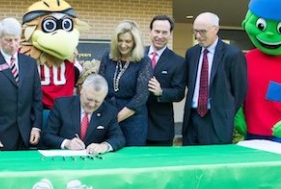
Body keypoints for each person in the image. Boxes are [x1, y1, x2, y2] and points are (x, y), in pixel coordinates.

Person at [0, 17, 43, 151]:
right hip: (0, 136)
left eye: (16, 39)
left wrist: (37, 126)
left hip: (27, 133)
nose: (13, 44)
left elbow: (37, 98)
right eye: (8, 40)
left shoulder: (30, 64)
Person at [182, 12, 247, 145]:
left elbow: (240, 91)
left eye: (202, 31)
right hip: (192, 119)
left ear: (216, 29)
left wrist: (225, 112)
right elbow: (190, 83)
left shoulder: (233, 54)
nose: (198, 36)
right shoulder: (191, 53)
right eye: (195, 31)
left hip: (217, 121)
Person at [99, 20, 152, 146]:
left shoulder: (144, 61)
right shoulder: (108, 56)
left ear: (135, 42)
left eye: (128, 41)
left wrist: (115, 119)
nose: (123, 45)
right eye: (120, 40)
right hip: (108, 113)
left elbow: (141, 97)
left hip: (133, 119)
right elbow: (100, 84)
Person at [42, 74, 125, 154]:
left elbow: (118, 138)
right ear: (81, 90)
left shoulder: (109, 111)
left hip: (94, 163)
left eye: (97, 101)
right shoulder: (61, 105)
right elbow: (47, 136)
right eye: (89, 99)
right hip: (64, 162)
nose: (92, 104)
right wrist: (67, 143)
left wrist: (103, 146)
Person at [145, 15, 187, 146]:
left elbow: (179, 93)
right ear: (150, 31)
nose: (160, 36)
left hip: (160, 128)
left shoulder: (178, 62)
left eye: (164, 32)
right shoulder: (137, 54)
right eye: (157, 31)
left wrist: (161, 92)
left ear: (170, 34)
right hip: (134, 123)